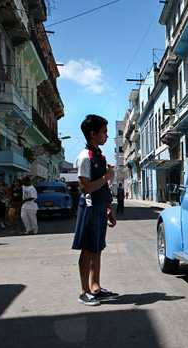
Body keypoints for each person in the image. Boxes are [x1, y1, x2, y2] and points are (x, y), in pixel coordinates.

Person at [72, 114, 118, 306]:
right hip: (89, 208)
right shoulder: (85, 157)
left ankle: (96, 287)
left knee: (98, 248)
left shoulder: (100, 155)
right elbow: (85, 187)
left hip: (100, 207)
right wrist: (107, 176)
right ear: (93, 134)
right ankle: (84, 291)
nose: (107, 136)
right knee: (88, 249)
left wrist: (110, 209)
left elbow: (104, 188)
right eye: (104, 132)